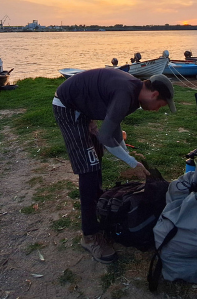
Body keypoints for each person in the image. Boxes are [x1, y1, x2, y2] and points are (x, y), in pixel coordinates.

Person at [52, 68, 175, 263]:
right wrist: (131, 163)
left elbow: (114, 127)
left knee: (95, 158)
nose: (158, 109)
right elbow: (105, 137)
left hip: (83, 107)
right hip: (69, 106)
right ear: (155, 94)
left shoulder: (135, 94)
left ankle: (97, 211)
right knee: (88, 168)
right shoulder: (126, 92)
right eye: (161, 105)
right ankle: (90, 236)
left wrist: (128, 154)